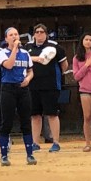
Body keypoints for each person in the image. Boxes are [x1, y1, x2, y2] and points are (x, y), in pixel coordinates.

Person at [0, 26, 35, 166]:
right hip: (8, 88)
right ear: (6, 39)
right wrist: (14, 49)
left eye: (16, 34)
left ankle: (30, 154)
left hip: (22, 88)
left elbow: (30, 71)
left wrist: (28, 79)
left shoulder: (25, 53)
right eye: (11, 35)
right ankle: (4, 155)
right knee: (6, 122)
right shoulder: (2, 53)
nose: (14, 37)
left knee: (26, 121)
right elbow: (9, 65)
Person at [26, 24, 69, 153]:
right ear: (33, 34)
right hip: (32, 86)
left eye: (42, 32)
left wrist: (54, 76)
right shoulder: (27, 47)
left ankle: (55, 142)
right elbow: (22, 61)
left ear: (46, 33)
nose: (39, 34)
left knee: (52, 114)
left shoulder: (55, 46)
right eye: (37, 32)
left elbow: (64, 65)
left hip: (50, 86)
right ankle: (35, 143)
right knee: (35, 115)